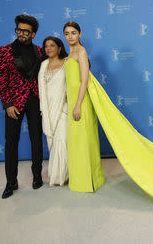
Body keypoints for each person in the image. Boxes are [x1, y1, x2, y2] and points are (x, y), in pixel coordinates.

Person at [0, 15, 45, 198]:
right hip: (13, 103)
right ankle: (11, 182)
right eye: (19, 29)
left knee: (36, 139)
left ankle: (37, 176)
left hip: (35, 101)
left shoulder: (41, 51)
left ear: (33, 33)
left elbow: (59, 61)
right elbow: (1, 79)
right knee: (11, 142)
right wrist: (7, 104)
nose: (21, 33)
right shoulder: (4, 51)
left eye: (26, 31)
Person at [63, 21, 105, 192]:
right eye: (67, 33)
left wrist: (78, 104)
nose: (70, 36)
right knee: (76, 143)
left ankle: (90, 181)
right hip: (73, 100)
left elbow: (84, 80)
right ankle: (79, 180)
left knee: (84, 141)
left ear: (80, 34)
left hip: (81, 102)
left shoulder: (81, 51)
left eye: (73, 33)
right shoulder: (70, 52)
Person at [38, 37, 69, 186]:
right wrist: (45, 110)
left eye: (52, 45)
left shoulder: (67, 63)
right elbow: (41, 90)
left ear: (59, 48)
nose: (48, 48)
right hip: (47, 109)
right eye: (46, 46)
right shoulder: (43, 65)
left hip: (62, 109)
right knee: (51, 141)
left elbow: (73, 84)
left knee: (61, 141)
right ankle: (56, 174)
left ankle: (63, 176)